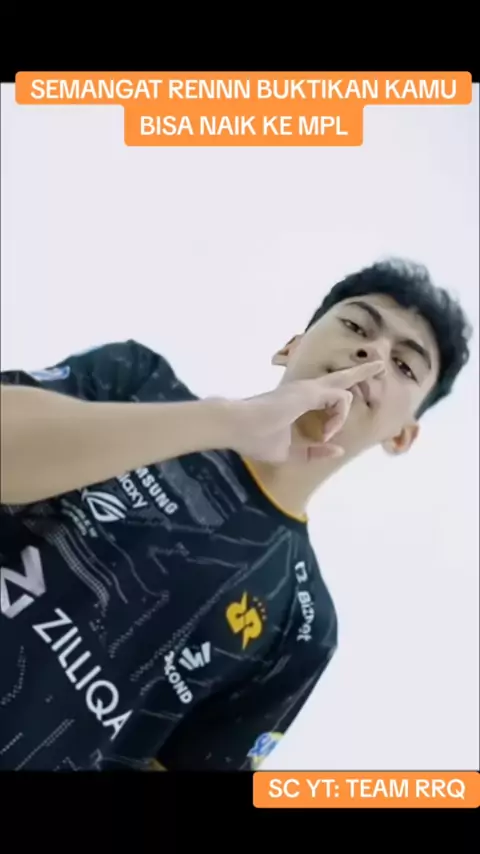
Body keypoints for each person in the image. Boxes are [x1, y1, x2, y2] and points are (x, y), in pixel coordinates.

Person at [0, 258, 471, 772]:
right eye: (357, 326)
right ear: (291, 346)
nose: (373, 354)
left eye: (405, 366)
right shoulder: (137, 383)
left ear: (402, 435)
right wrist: (227, 421)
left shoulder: (303, 624)